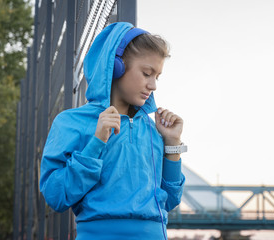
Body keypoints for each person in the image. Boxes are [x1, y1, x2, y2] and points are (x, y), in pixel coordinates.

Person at [39, 22, 187, 240]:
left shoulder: (153, 130)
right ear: (116, 66)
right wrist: (96, 143)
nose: (153, 85)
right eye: (147, 73)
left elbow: (171, 200)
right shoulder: (70, 122)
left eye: (157, 77)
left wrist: (172, 144)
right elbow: (56, 195)